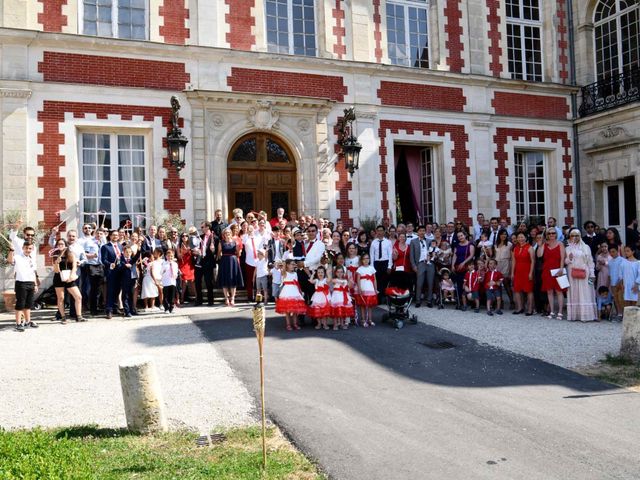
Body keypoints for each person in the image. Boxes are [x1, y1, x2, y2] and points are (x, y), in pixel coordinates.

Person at [565, 229, 598, 322]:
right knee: (574, 292)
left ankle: (587, 315)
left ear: (580, 236)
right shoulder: (567, 248)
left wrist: (592, 274)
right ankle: (575, 315)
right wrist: (569, 258)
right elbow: (565, 262)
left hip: (585, 272)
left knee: (586, 292)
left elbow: (590, 261)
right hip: (572, 273)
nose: (574, 238)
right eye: (572, 236)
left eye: (577, 235)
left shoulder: (586, 247)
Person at [8, 240, 39, 331]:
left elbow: (33, 272)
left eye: (30, 248)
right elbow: (10, 261)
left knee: (28, 305)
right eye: (26, 248)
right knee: (20, 304)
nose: (28, 250)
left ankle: (28, 322)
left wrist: (35, 284)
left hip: (31, 283)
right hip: (21, 283)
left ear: (32, 249)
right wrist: (11, 250)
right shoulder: (17, 257)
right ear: (22, 248)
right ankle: (18, 324)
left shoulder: (32, 259)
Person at [52, 239, 85, 323]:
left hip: (69, 277)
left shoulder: (70, 254)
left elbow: (74, 266)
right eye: (58, 244)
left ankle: (79, 316)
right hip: (58, 278)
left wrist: (72, 276)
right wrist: (57, 263)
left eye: (62, 244)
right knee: (61, 298)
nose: (60, 245)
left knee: (78, 296)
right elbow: (56, 271)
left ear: (65, 245)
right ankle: (63, 317)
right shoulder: (55, 255)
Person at [538, 228, 566, 319]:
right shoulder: (545, 244)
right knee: (549, 291)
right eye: (549, 233)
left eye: (553, 233)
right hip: (547, 270)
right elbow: (539, 255)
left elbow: (562, 257)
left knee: (559, 291)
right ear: (547, 235)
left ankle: (560, 312)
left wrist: (561, 268)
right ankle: (552, 311)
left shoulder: (560, 244)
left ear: (556, 234)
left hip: (557, 269)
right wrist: (540, 245)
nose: (551, 235)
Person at [275, 259, 307, 331]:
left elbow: (297, 283)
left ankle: (295, 324)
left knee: (295, 311)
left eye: (294, 264)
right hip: (287, 291)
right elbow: (282, 270)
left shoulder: (295, 274)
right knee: (287, 311)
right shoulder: (285, 272)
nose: (293, 266)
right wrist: (283, 263)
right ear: (287, 265)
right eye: (292, 264)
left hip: (294, 291)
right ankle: (288, 324)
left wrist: (300, 291)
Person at [410, 225, 436, 307]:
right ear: (417, 232)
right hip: (420, 263)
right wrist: (414, 266)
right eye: (420, 231)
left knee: (430, 282)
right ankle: (418, 301)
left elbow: (434, 250)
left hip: (430, 263)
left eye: (423, 231)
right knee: (419, 283)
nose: (422, 232)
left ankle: (429, 301)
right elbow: (411, 255)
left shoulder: (429, 241)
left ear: (425, 232)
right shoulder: (413, 241)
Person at [217, 228, 243, 306]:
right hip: (224, 261)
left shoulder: (235, 242)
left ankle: (232, 298)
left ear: (231, 233)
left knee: (233, 281)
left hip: (233, 261)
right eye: (226, 233)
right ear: (224, 234)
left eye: (228, 232)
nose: (227, 234)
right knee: (224, 281)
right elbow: (219, 253)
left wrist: (238, 250)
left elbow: (238, 254)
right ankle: (226, 298)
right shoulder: (221, 242)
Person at [100, 230, 123, 319]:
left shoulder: (120, 246)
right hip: (111, 272)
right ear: (110, 236)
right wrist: (110, 264)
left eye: (117, 235)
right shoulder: (105, 247)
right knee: (110, 291)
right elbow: (103, 259)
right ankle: (109, 310)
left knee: (117, 290)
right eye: (113, 235)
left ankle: (115, 307)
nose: (115, 236)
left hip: (120, 272)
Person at [511, 232, 534, 315]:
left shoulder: (529, 247)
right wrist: (512, 273)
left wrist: (531, 273)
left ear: (525, 238)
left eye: (522, 237)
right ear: (516, 239)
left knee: (529, 290)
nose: (520, 239)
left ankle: (530, 309)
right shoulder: (515, 248)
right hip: (518, 271)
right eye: (519, 237)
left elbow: (533, 261)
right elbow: (513, 261)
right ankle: (520, 308)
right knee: (517, 290)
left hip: (527, 271)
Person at [195, 223, 217, 306]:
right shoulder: (200, 237)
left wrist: (213, 250)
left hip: (208, 262)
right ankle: (199, 300)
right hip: (199, 262)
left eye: (202, 227)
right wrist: (196, 251)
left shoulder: (214, 238)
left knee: (208, 282)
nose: (201, 228)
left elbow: (216, 252)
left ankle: (210, 300)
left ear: (207, 227)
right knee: (197, 281)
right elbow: (195, 247)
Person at [370, 225, 393, 301]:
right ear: (376, 232)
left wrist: (389, 266)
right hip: (377, 263)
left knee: (385, 280)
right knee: (378, 281)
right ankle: (379, 298)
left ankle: (385, 297)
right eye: (378, 230)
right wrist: (372, 267)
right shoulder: (373, 242)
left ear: (384, 232)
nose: (380, 232)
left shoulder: (388, 242)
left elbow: (390, 255)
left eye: (381, 230)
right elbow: (372, 255)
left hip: (385, 262)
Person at [451, 231, 475, 305]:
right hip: (458, 267)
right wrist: (452, 265)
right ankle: (461, 300)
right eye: (458, 236)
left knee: (468, 284)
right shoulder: (457, 245)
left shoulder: (470, 245)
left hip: (467, 267)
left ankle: (470, 301)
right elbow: (455, 255)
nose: (460, 237)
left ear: (465, 235)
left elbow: (471, 255)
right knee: (459, 283)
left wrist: (463, 262)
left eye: (461, 235)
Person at [356, 253, 378, 327]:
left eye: (367, 258)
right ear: (362, 260)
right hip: (363, 288)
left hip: (370, 288)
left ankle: (370, 319)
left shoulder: (371, 268)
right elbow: (358, 280)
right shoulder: (360, 269)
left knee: (370, 305)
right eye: (364, 259)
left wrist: (375, 289)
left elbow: (374, 279)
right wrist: (359, 288)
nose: (366, 260)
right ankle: (363, 320)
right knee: (363, 305)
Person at [494, 229, 513, 308]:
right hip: (498, 265)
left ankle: (512, 301)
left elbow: (512, 258)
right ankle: (500, 302)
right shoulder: (496, 244)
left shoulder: (509, 244)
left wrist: (511, 270)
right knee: (498, 285)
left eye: (505, 234)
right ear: (499, 235)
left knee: (506, 284)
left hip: (506, 264)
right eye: (502, 234)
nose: (504, 236)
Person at [120, 245, 139, 317]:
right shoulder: (121, 259)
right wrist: (125, 265)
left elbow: (137, 256)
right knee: (125, 295)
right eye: (127, 252)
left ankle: (131, 310)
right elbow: (119, 267)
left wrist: (139, 249)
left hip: (132, 279)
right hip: (124, 280)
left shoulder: (131, 260)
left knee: (131, 294)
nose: (128, 254)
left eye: (130, 252)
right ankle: (126, 311)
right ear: (123, 252)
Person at [177, 232, 196, 304]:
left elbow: (194, 253)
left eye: (186, 236)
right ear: (181, 238)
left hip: (190, 265)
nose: (184, 237)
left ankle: (197, 297)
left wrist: (191, 250)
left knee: (192, 281)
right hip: (182, 265)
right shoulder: (179, 245)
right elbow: (179, 256)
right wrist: (184, 252)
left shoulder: (191, 245)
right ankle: (181, 298)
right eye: (183, 236)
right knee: (184, 282)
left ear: (188, 237)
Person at [608, 245, 624, 320]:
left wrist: (620, 281)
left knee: (621, 298)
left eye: (613, 251)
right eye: (610, 252)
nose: (612, 253)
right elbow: (610, 273)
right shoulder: (610, 261)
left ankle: (623, 313)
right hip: (613, 283)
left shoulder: (622, 260)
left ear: (617, 251)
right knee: (616, 299)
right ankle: (619, 313)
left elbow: (623, 272)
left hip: (620, 283)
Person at [161, 249, 179, 313]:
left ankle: (171, 307)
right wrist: (163, 272)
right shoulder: (164, 264)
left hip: (172, 281)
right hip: (166, 282)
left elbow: (176, 272)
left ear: (173, 256)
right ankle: (166, 308)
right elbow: (161, 272)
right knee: (166, 296)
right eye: (168, 256)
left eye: (171, 256)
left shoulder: (175, 264)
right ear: (166, 256)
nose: (170, 257)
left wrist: (175, 275)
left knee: (172, 296)